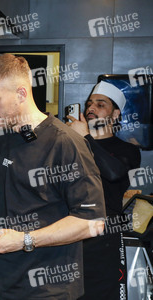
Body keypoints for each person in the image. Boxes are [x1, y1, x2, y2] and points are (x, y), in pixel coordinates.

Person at [0, 53, 106, 299]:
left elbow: (91, 222)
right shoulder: (2, 135)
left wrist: (25, 239)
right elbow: (10, 191)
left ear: (21, 94)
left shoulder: (66, 144)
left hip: (43, 289)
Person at [67, 81, 141, 299]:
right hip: (70, 234)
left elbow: (114, 173)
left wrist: (86, 138)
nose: (90, 108)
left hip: (105, 238)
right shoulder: (72, 146)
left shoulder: (127, 150)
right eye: (89, 103)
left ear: (115, 114)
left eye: (100, 104)